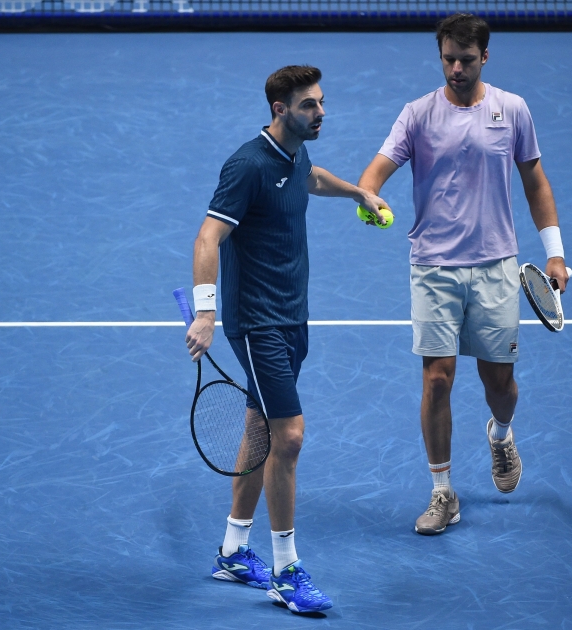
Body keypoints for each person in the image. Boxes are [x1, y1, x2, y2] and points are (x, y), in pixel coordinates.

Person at [185, 65, 389, 613]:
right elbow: (208, 236)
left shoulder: (294, 153)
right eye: (309, 106)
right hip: (257, 322)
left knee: (259, 427)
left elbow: (310, 178)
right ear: (280, 110)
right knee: (289, 436)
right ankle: (285, 570)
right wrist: (206, 315)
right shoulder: (247, 165)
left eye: (321, 103)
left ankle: (232, 552)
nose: (321, 113)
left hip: (293, 317)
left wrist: (357, 193)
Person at [358, 14, 570, 535]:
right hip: (433, 266)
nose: (455, 68)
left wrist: (555, 253)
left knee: (499, 383)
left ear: (485, 57)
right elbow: (378, 168)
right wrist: (368, 195)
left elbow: (535, 182)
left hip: (497, 264)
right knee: (436, 378)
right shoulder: (417, 115)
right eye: (448, 58)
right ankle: (442, 492)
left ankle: (500, 435)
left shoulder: (512, 110)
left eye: (466, 60)